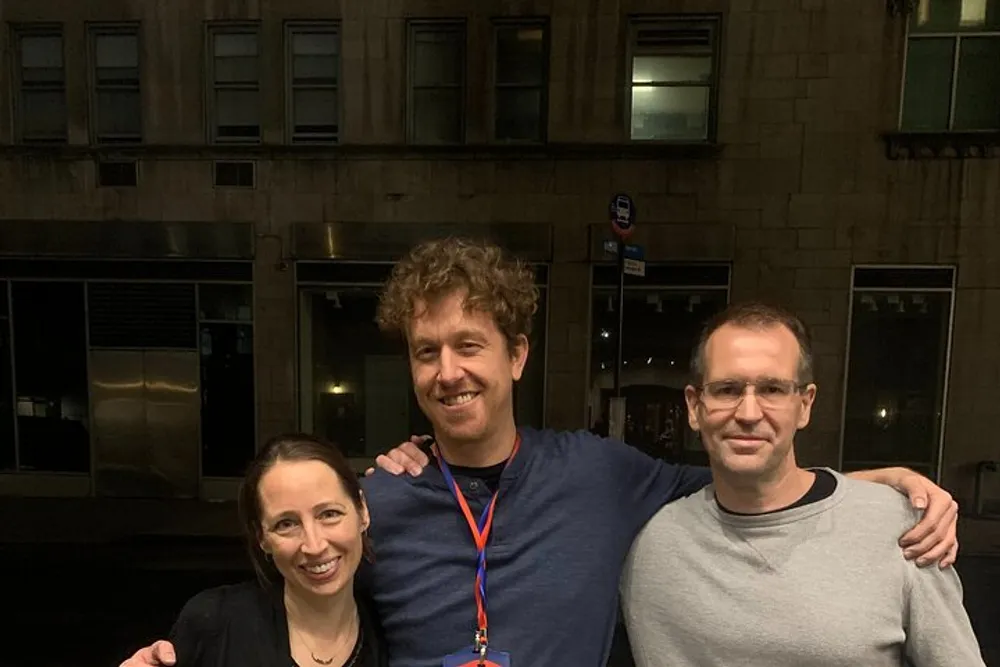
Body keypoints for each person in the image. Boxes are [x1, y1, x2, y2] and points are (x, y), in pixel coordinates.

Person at [123, 238, 959, 667]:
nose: (448, 372)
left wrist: (873, 483)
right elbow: (303, 605)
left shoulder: (604, 474)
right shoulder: (383, 492)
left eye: (469, 344)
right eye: (424, 350)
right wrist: (182, 651)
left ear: (517, 354)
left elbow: (749, 469)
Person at [620, 302, 984, 666]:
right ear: (694, 406)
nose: (748, 413)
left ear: (805, 404)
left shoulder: (902, 530)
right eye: (727, 389)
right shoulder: (652, 542)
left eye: (773, 389)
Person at [162, 433, 386, 667]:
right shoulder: (215, 625)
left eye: (329, 514)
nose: (314, 545)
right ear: (262, 538)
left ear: (362, 512)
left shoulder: (393, 631)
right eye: (286, 524)